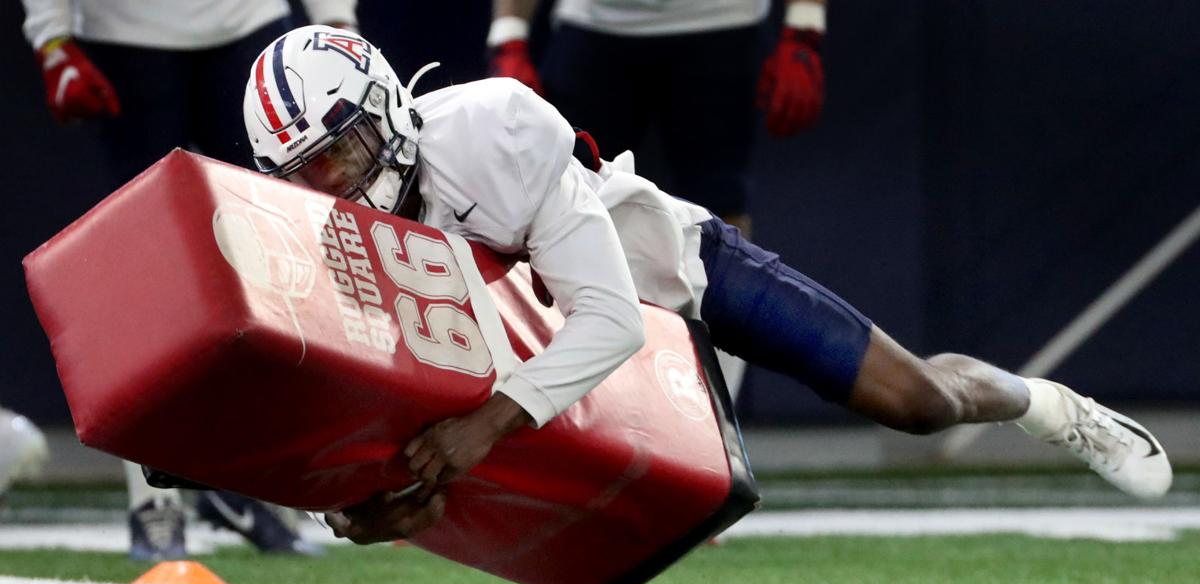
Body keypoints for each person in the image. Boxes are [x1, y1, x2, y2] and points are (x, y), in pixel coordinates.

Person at [242, 26, 1173, 543]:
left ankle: (1048, 404)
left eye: (343, 154)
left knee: (917, 401)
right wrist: (356, 501)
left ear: (388, 110)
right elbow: (352, 391)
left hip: (664, 283)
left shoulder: (492, 132)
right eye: (308, 174)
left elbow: (608, 321)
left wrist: (486, 424)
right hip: (526, 359)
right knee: (403, 501)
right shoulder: (323, 231)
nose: (339, 187)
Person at [20, 0, 359, 560]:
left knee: (273, 251)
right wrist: (51, 36)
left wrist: (336, 19)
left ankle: (258, 485)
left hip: (245, 23)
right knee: (143, 269)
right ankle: (156, 501)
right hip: (128, 36)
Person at [487, 0, 827, 399]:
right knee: (560, 206)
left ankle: (719, 414)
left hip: (721, 21)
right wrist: (508, 31)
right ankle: (565, 396)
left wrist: (805, 24)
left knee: (722, 217)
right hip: (595, 25)